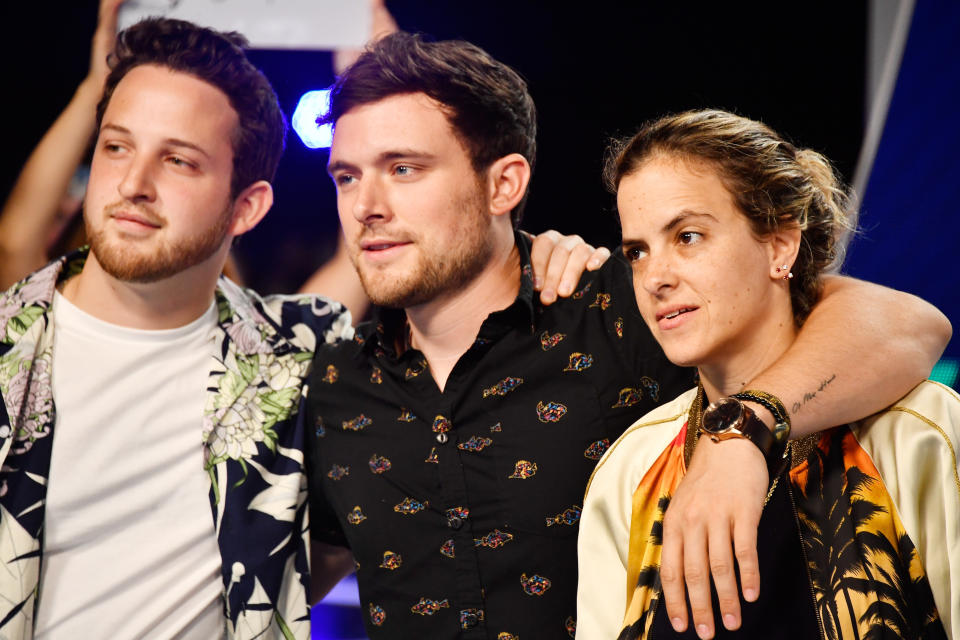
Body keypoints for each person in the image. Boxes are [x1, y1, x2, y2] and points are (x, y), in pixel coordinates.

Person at [304, 32, 951, 639]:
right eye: (346, 177)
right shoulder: (332, 385)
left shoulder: (618, 305)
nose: (367, 206)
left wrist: (744, 434)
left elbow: (904, 322)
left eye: (404, 168)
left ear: (505, 182)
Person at [577, 109, 959, 639]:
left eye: (687, 236)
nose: (654, 278)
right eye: (637, 252)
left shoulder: (918, 431)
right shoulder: (631, 471)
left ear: (780, 245)